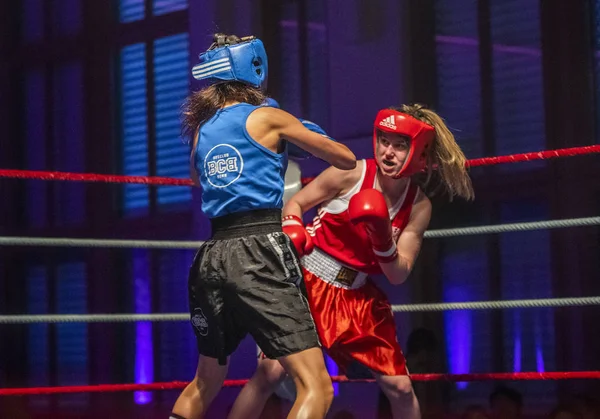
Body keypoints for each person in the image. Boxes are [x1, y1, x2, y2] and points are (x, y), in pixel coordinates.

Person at [228, 104, 474, 419]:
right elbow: (297, 202)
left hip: (355, 296)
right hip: (306, 282)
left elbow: (399, 274)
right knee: (270, 373)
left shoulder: (418, 206)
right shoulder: (351, 172)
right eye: (384, 140)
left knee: (400, 388)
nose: (388, 152)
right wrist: (292, 224)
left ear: (419, 153)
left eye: (400, 145)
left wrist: (383, 239)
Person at [169, 33, 357, 419]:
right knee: (316, 387)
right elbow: (346, 159)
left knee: (204, 382)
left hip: (212, 256)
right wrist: (300, 133)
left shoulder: (203, 129)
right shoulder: (269, 116)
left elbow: (197, 177)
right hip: (259, 251)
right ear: (254, 67)